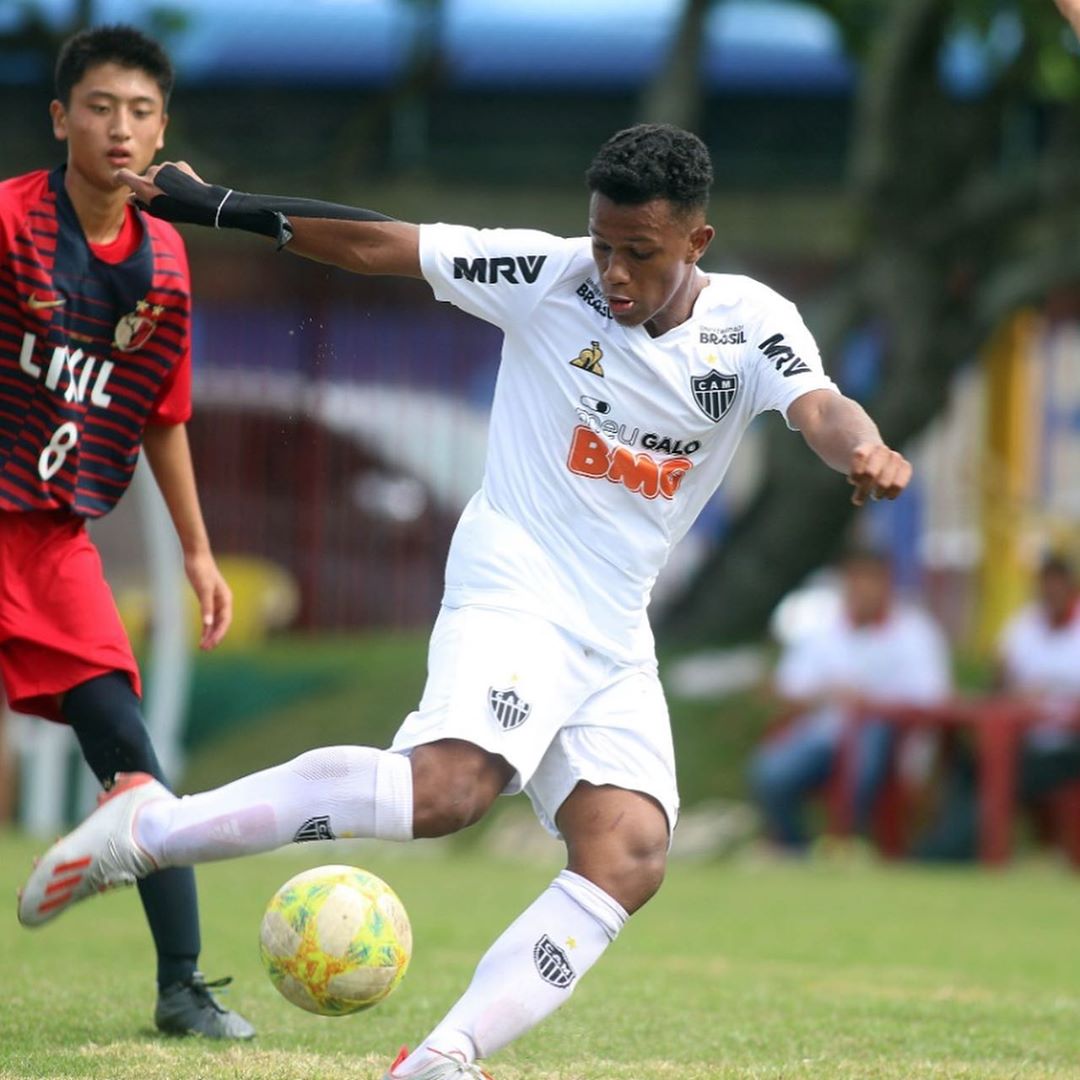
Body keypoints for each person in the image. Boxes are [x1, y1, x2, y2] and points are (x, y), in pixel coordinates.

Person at [20, 123, 911, 1078]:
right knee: (446, 791)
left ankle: (443, 1057)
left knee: (631, 852)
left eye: (639, 253)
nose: (611, 270)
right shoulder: (548, 275)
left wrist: (862, 447)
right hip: (517, 579)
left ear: (697, 242)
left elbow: (819, 406)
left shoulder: (752, 322)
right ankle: (152, 829)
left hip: (612, 622)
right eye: (603, 242)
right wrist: (224, 208)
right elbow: (378, 243)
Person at [1, 26, 253, 1038]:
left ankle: (183, 989)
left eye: (141, 111)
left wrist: (196, 549)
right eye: (100, 107)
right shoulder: (10, 224)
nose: (120, 128)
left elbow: (161, 412)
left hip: (50, 539)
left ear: (163, 130)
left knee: (134, 757)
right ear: (61, 118)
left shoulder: (166, 260)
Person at [749, 549, 951, 852]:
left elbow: (932, 698)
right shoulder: (821, 631)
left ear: (887, 583)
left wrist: (870, 703)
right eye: (856, 579)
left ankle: (847, 841)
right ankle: (793, 849)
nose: (863, 588)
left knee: (864, 749)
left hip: (888, 737)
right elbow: (788, 691)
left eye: (871, 580)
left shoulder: (915, 633)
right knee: (770, 770)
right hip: (823, 733)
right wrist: (827, 694)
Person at [918, 554, 1080, 860]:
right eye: (1046, 583)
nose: (1052, 591)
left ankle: (956, 852)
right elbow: (998, 681)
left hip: (1068, 745)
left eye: (1059, 583)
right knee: (967, 762)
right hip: (1023, 739)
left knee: (1003, 774)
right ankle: (944, 843)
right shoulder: (1025, 625)